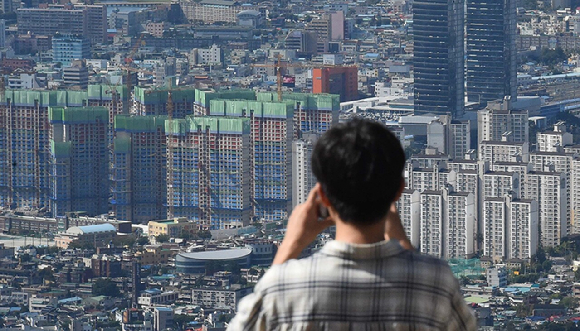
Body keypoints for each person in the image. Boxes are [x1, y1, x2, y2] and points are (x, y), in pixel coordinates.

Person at [227, 118, 476, 331]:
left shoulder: (285, 286)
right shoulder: (436, 283)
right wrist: (402, 241)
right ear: (399, 191)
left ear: (323, 196)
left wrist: (291, 245)